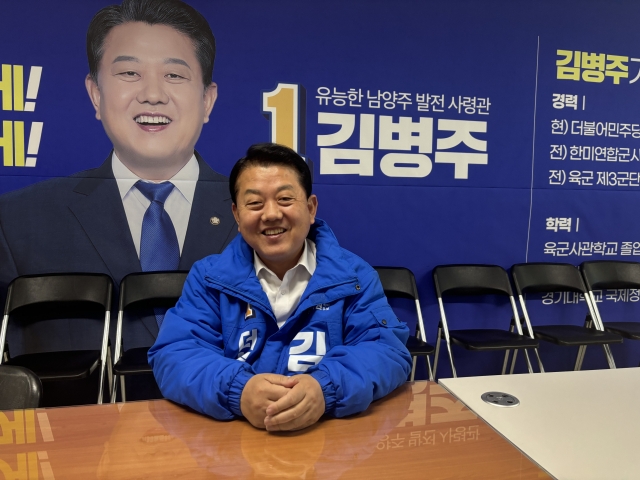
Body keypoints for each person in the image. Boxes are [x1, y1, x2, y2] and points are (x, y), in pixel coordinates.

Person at [0, 0, 236, 400]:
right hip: (76, 451)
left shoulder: (269, 217)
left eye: (174, 75)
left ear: (208, 100)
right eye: (129, 73)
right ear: (95, 93)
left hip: (232, 448)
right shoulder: (19, 219)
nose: (153, 94)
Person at [149, 143, 412, 431]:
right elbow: (175, 353)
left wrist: (326, 388)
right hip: (235, 441)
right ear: (237, 216)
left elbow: (386, 350)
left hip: (328, 438)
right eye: (255, 203)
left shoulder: (354, 276)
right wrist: (238, 391)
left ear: (311, 208)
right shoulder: (209, 278)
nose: (271, 214)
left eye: (285, 199)